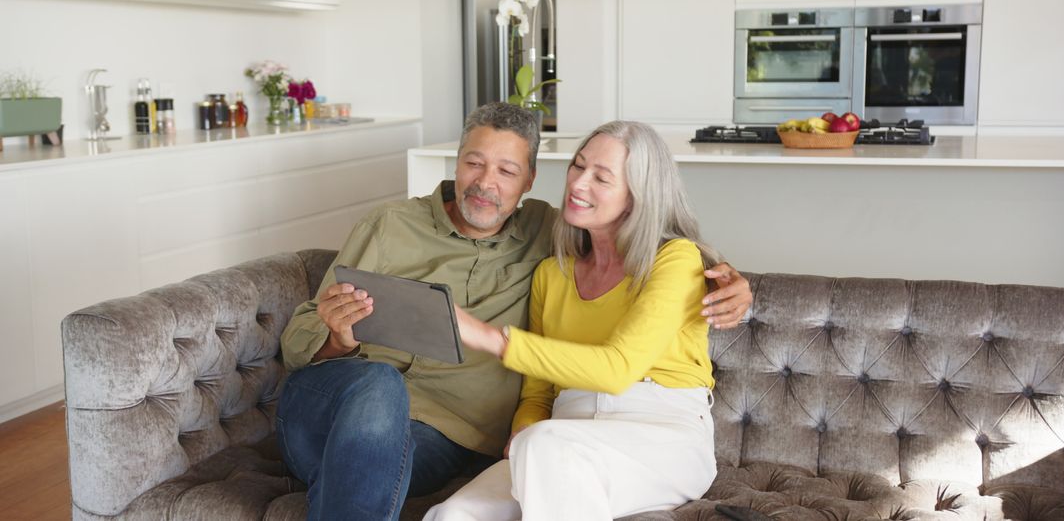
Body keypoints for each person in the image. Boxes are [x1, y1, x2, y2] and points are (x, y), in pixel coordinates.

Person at [277, 103, 750, 520]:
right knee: (447, 505)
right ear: (456, 165)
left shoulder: (641, 252)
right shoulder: (545, 267)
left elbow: (621, 362)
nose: (486, 183)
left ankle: (349, 472)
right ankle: (352, 467)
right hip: (359, 402)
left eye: (506, 171)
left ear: (528, 181)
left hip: (641, 428)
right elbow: (538, 393)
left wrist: (739, 285)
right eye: (474, 163)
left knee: (531, 447)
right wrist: (338, 337)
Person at [426, 120, 724, 520]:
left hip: (661, 437)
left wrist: (492, 338)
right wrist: (524, 426)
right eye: (578, 166)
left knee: (544, 444)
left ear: (638, 196)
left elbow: (619, 369)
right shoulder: (553, 273)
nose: (578, 184)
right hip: (560, 437)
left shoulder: (675, 259)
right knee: (453, 515)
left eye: (601, 177)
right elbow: (538, 393)